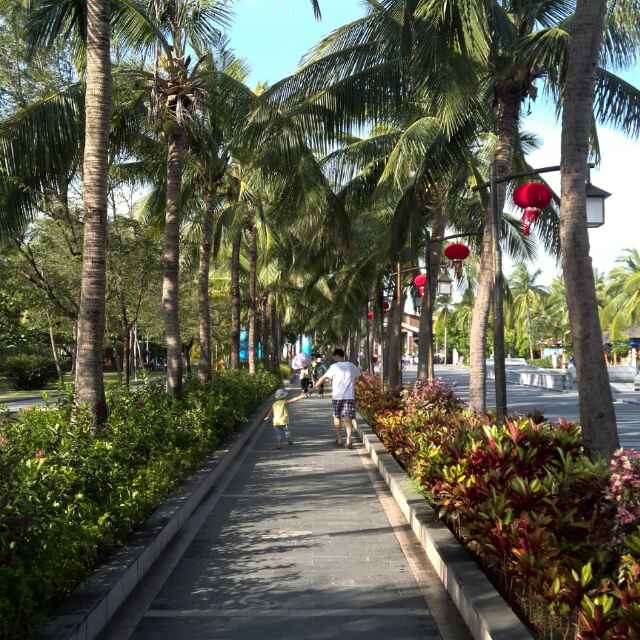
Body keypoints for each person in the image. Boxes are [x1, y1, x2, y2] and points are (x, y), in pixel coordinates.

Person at [312, 348, 361, 448]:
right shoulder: (351, 365)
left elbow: (323, 378)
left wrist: (314, 387)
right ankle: (349, 438)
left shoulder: (334, 367)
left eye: (334, 356)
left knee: (337, 417)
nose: (333, 358)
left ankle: (339, 439)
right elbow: (361, 377)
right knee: (348, 418)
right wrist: (370, 386)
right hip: (349, 396)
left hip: (337, 397)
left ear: (337, 356)